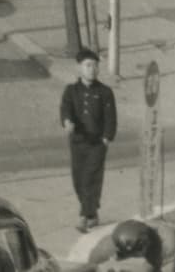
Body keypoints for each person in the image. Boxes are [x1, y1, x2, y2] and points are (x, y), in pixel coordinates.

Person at [61, 47, 117, 231]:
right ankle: (92, 213)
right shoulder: (71, 91)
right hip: (78, 142)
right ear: (79, 68)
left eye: (95, 65)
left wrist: (107, 137)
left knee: (90, 178)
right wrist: (67, 121)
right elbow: (66, 109)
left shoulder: (105, 92)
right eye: (87, 65)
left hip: (97, 144)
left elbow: (111, 117)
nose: (92, 69)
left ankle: (84, 216)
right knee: (78, 179)